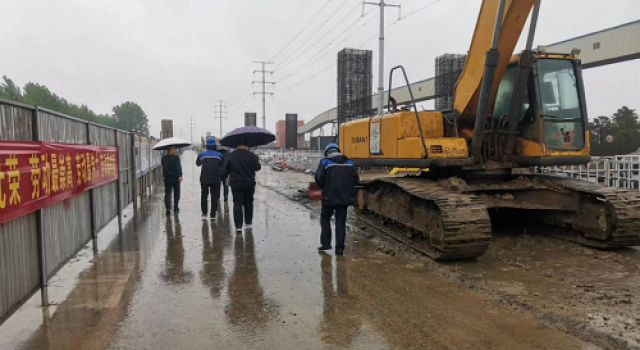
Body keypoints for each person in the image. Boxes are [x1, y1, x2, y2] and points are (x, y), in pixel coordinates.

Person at [314, 143, 359, 256]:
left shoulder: (325, 162)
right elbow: (356, 180)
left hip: (328, 197)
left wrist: (325, 188)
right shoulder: (349, 162)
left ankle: (325, 244)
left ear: (327, 152)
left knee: (325, 219)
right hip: (344, 198)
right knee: (340, 223)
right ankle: (339, 249)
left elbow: (318, 178)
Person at [224, 142, 261, 232]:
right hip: (249, 183)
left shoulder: (231, 155)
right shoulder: (252, 156)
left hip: (236, 183)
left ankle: (238, 227)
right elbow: (258, 168)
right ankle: (248, 223)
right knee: (248, 202)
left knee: (237, 204)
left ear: (237, 146)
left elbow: (226, 170)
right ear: (247, 146)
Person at [196, 137, 224, 219]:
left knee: (204, 195)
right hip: (215, 178)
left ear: (206, 145)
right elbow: (222, 165)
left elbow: (197, 164)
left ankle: (204, 213)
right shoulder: (219, 155)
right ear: (215, 145)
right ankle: (213, 215)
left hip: (204, 178)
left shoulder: (202, 155)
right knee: (214, 196)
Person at [162, 146, 183, 215]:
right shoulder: (176, 158)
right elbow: (178, 167)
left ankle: (168, 208)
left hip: (167, 178)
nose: (176, 150)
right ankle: (176, 207)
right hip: (176, 178)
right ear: (171, 150)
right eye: (175, 149)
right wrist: (180, 175)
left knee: (168, 193)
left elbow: (164, 169)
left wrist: (169, 173)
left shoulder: (164, 158)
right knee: (176, 193)